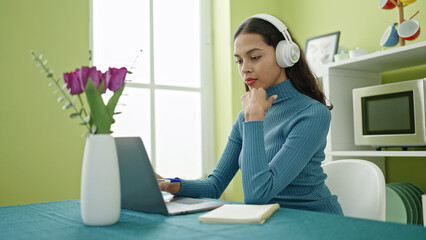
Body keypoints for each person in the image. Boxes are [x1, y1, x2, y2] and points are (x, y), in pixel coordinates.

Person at [157, 13, 343, 215]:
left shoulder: (312, 114)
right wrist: (168, 185)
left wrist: (254, 118)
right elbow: (215, 185)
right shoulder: (245, 118)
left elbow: (257, 195)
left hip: (315, 222)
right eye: (239, 60)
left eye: (254, 57)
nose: (245, 69)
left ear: (284, 54)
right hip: (271, 222)